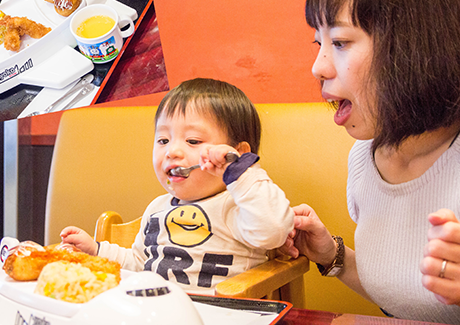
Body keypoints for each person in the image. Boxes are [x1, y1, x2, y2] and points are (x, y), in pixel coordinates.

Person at [280, 0, 460, 325]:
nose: (318, 67)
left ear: (417, 46)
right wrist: (333, 255)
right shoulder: (365, 156)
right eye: (319, 42)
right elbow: (410, 295)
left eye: (341, 42)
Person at [61, 78, 294, 293]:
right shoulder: (156, 209)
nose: (172, 151)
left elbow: (273, 230)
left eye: (193, 141)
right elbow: (141, 264)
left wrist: (242, 172)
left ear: (238, 155)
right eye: (163, 140)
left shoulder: (241, 206)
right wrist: (97, 251)